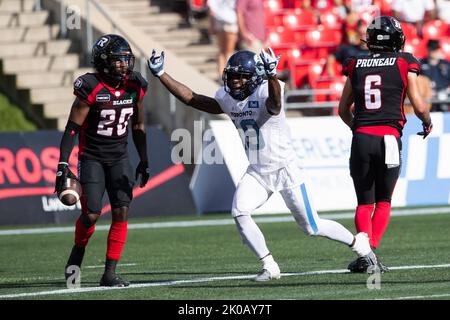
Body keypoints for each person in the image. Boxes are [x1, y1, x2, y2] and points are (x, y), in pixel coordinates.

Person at [147, 47, 378, 281]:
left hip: (286, 169)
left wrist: (272, 76)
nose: (235, 82)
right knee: (239, 211)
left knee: (312, 226)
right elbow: (192, 98)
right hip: (258, 171)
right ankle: (269, 265)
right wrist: (162, 74)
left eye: (241, 76)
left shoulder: (265, 90)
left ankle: (360, 245)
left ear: (255, 77)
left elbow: (275, 105)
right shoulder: (227, 98)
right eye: (232, 76)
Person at [338, 16, 433, 273]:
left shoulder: (355, 63)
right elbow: (418, 103)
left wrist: (359, 130)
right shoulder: (404, 61)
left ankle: (364, 257)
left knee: (363, 202)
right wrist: (427, 122)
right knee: (383, 201)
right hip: (389, 138)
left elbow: (342, 109)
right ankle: (371, 255)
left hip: (361, 137)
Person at [55, 34, 150, 287]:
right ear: (104, 61)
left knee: (121, 211)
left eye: (126, 60)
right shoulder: (91, 86)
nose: (124, 65)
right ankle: (76, 255)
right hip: (92, 157)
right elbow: (72, 128)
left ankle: (109, 273)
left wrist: (144, 159)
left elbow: (139, 125)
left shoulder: (136, 85)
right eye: (118, 60)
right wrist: (63, 164)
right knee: (92, 214)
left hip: (119, 156)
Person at [207, 0, 239, 81]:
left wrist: (211, 25)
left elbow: (211, 9)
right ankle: (228, 75)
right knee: (228, 51)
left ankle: (221, 75)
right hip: (230, 21)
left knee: (221, 51)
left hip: (219, 21)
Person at [420, 39, 450, 112]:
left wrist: (446, 91)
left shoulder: (447, 64)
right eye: (432, 49)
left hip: (444, 97)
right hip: (426, 97)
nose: (434, 52)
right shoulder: (420, 64)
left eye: (436, 49)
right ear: (427, 49)